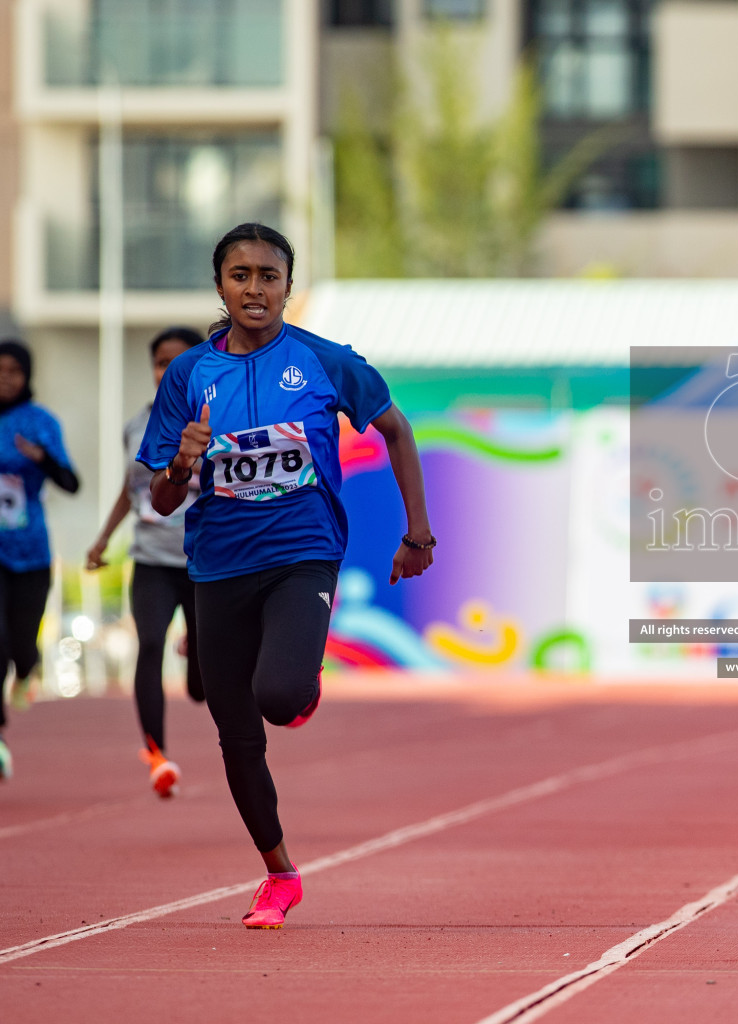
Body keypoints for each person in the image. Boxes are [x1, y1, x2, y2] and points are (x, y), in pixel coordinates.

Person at [138, 223, 434, 928]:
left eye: (269, 276)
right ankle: (279, 873)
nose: (255, 289)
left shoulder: (325, 361)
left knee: (278, 695)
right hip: (217, 564)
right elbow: (162, 500)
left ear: (288, 289)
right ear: (220, 287)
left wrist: (416, 530)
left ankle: (300, 683)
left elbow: (396, 429)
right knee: (235, 731)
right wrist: (181, 463)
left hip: (304, 553)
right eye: (240, 276)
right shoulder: (189, 376)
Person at [86, 327, 206, 798]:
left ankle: (196, 649)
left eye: (178, 361)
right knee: (150, 644)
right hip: (151, 559)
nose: (167, 370)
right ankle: (157, 754)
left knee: (201, 685)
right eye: (160, 361)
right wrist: (103, 539)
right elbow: (130, 488)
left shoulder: (218, 418)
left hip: (204, 560)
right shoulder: (137, 425)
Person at [0, 339, 80, 780]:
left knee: (21, 644)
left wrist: (41, 458)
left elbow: (71, 482)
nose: (5, 378)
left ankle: (27, 669)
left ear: (27, 375)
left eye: (14, 370)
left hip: (30, 551)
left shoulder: (39, 422)